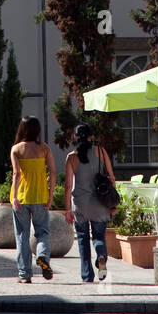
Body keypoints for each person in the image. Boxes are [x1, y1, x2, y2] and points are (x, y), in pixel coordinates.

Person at [64, 123, 117, 284]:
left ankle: (87, 275)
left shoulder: (71, 157)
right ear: (90, 137)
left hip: (80, 204)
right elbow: (112, 178)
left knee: (82, 238)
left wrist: (67, 209)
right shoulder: (101, 152)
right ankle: (101, 256)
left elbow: (67, 185)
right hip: (100, 203)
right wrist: (113, 204)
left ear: (75, 137)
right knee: (99, 236)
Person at [10, 116, 57, 283]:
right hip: (40, 196)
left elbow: (16, 174)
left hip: (22, 197)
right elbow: (53, 172)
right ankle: (43, 256)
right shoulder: (44, 149)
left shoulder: (16, 149)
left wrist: (15, 196)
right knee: (42, 232)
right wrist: (50, 196)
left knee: (22, 236)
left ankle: (24, 274)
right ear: (38, 130)